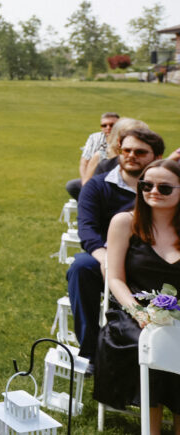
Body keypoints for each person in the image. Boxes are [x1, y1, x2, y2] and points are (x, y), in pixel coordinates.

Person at [93, 159, 180, 435]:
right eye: (146, 185)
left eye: (164, 188)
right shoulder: (124, 222)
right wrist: (138, 312)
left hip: (178, 312)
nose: (153, 191)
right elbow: (115, 279)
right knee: (152, 345)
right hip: (131, 312)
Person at [68, 128, 164, 361]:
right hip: (106, 253)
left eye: (140, 152)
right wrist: (105, 259)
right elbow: (87, 229)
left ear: (157, 157)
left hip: (151, 257)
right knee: (81, 268)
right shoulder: (97, 186)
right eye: (126, 150)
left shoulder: (162, 189)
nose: (131, 156)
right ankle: (91, 351)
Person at [66, 112, 118, 199]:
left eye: (112, 125)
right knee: (72, 186)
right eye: (104, 125)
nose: (108, 128)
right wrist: (85, 183)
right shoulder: (94, 138)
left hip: (115, 179)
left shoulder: (125, 138)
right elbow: (84, 163)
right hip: (94, 178)